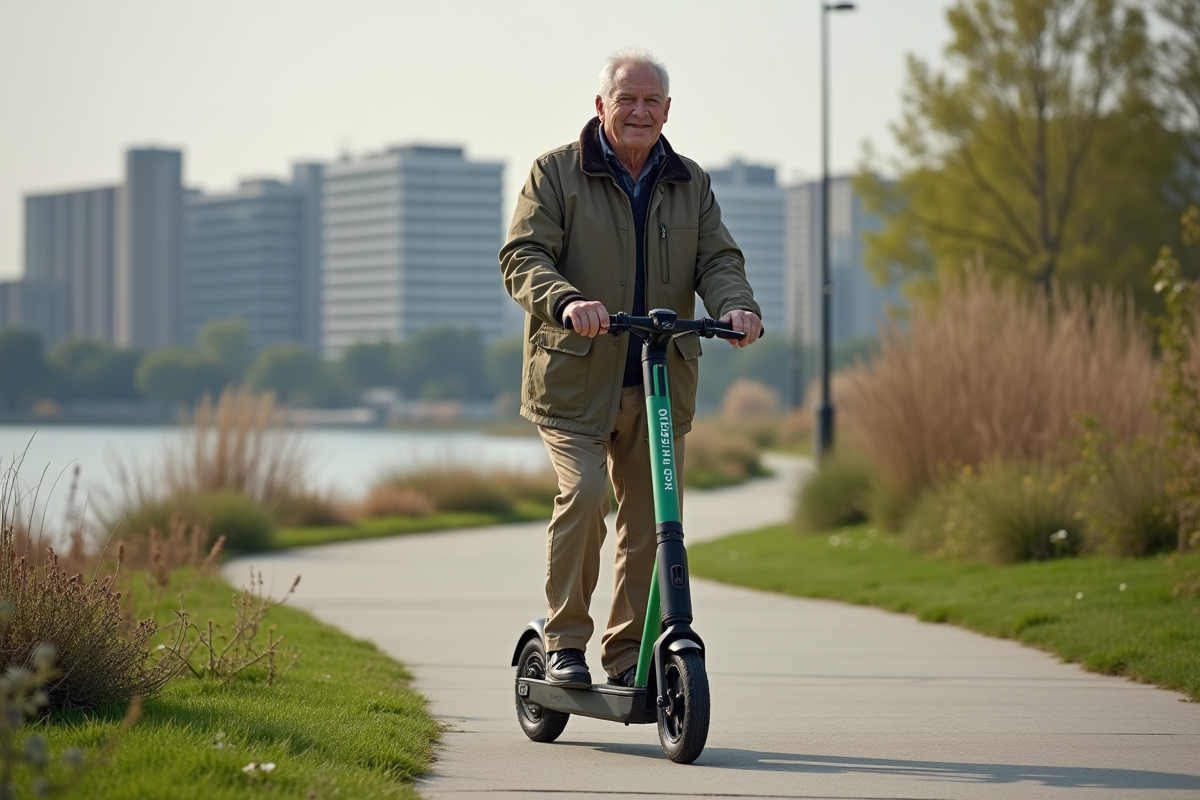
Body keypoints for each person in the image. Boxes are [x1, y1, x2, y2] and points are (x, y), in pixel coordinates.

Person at [499, 48, 762, 689]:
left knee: (652, 521)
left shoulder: (690, 182)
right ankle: (564, 644)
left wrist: (737, 307)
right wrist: (566, 301)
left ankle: (625, 658)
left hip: (657, 380)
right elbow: (523, 255)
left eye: (652, 101)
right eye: (627, 99)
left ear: (668, 111)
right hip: (574, 378)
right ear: (601, 106)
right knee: (586, 496)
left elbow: (718, 260)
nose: (640, 111)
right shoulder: (555, 173)